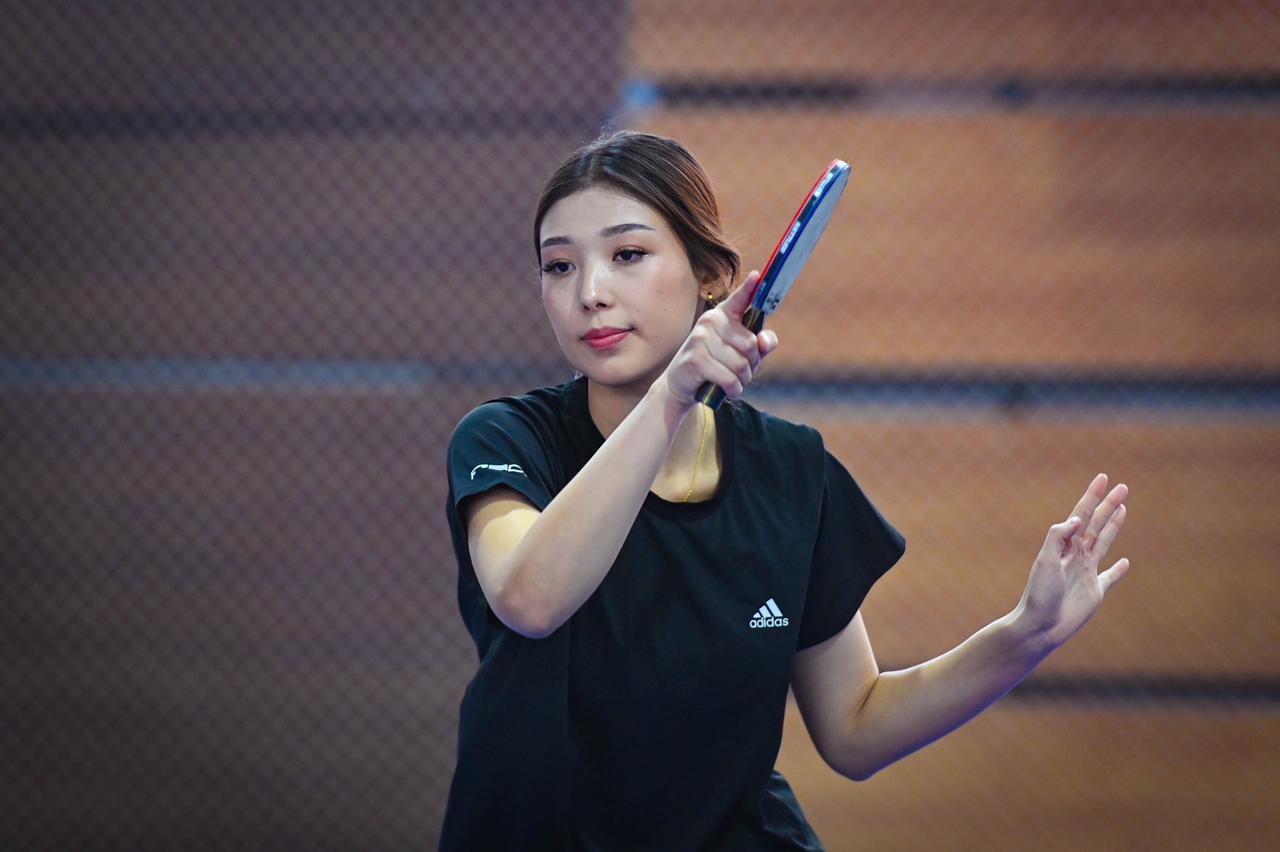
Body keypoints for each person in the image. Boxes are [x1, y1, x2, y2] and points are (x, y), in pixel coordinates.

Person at [439, 131, 1130, 851]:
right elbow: (530, 599)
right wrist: (672, 396)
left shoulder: (791, 471)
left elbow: (856, 726)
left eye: (628, 254)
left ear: (710, 277)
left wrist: (1026, 635)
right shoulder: (504, 441)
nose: (590, 293)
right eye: (559, 266)